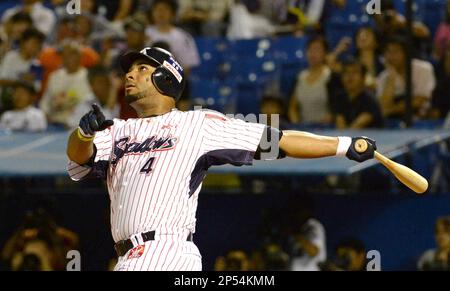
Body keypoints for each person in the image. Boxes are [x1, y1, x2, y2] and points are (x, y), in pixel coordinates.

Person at [65, 46, 377, 271]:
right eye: (129, 70)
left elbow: (278, 140)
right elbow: (78, 160)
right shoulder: (116, 130)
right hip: (128, 256)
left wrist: (343, 144)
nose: (130, 74)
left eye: (141, 69)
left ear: (165, 79)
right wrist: (83, 133)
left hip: (165, 250)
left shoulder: (196, 125)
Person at [377, 36, 436, 119]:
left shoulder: (424, 68)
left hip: (421, 118)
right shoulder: (383, 76)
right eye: (387, 52)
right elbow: (383, 106)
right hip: (393, 121)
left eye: (396, 51)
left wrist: (391, 110)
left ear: (406, 53)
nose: (391, 56)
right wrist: (391, 78)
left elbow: (420, 100)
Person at [288, 36, 333, 125]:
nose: (313, 53)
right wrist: (297, 123)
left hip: (327, 130)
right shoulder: (300, 77)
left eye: (317, 50)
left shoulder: (331, 76)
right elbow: (292, 107)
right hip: (304, 130)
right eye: (310, 50)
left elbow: (338, 108)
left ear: (325, 53)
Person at [145, 0, 200, 70]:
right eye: (157, 9)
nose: (161, 12)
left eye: (165, 9)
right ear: (151, 12)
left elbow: (186, 67)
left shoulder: (182, 37)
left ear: (173, 13)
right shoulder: (143, 33)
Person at [333, 59, 384, 129]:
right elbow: (340, 125)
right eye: (346, 72)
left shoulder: (370, 100)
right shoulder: (340, 97)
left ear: (363, 78)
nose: (350, 76)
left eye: (354, 72)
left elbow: (357, 126)